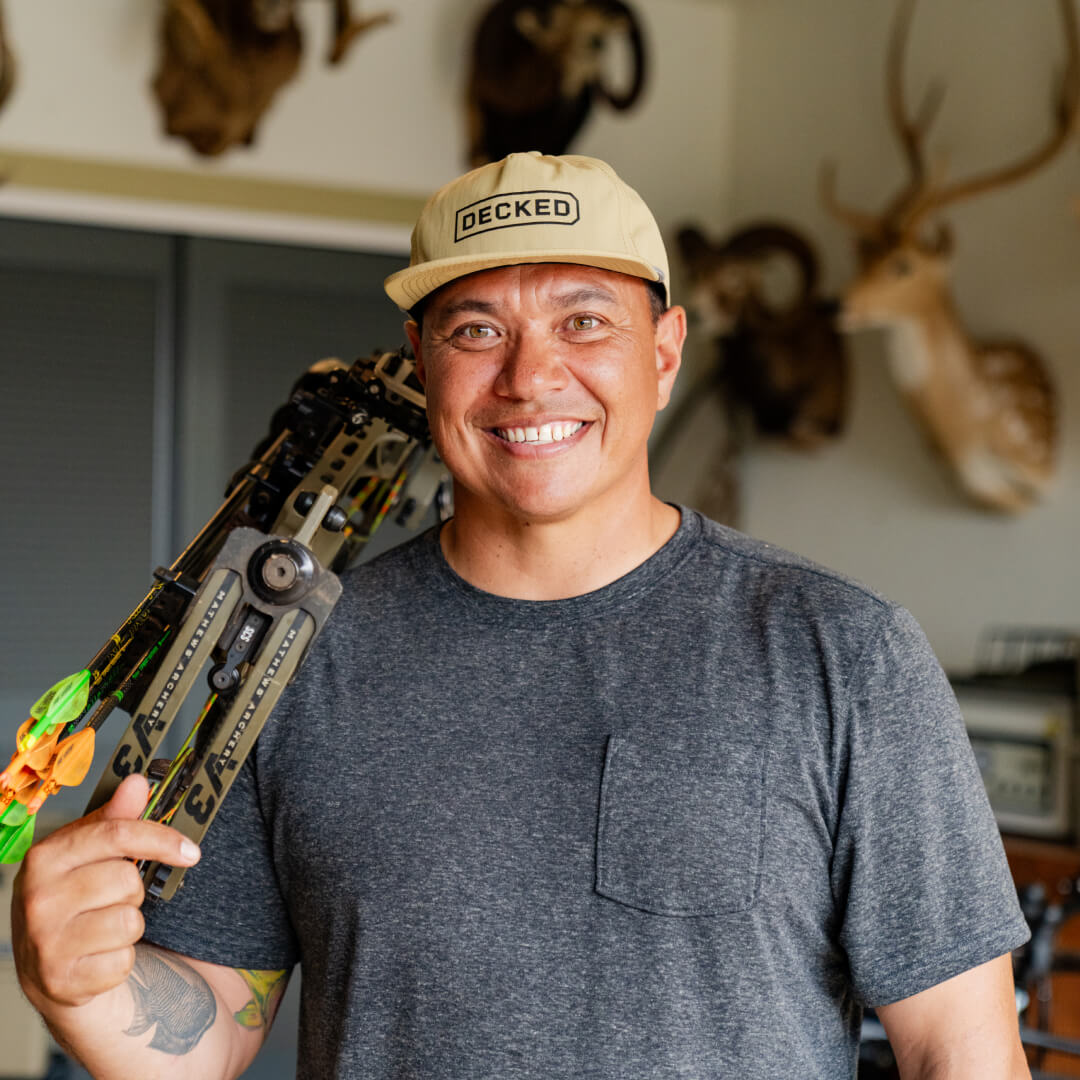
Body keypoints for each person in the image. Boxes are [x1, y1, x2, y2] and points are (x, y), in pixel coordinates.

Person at [12, 152, 1031, 1079]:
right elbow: (208, 1027)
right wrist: (80, 985)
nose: (530, 375)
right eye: (476, 329)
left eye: (584, 320)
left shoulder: (842, 653)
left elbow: (961, 1051)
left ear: (665, 352)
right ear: (421, 360)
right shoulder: (295, 660)